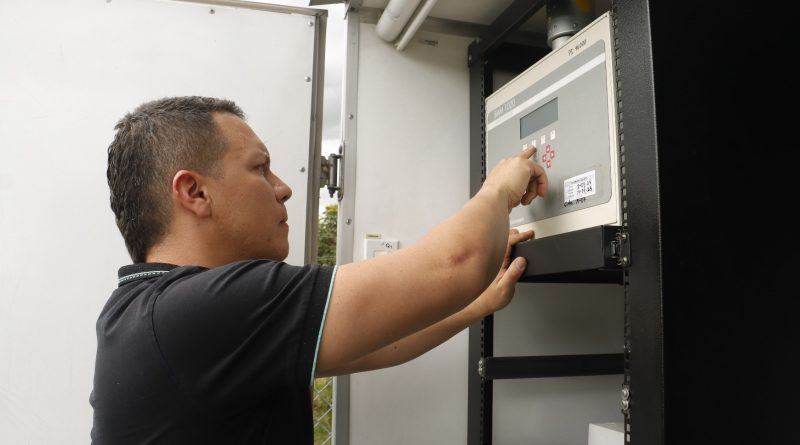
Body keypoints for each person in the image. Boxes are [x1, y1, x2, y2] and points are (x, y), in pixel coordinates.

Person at [90, 96, 547, 444]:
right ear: (194, 192)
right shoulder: (198, 310)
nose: (283, 188)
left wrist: (479, 302)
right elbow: (455, 263)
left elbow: (375, 344)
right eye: (261, 169)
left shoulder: (144, 310)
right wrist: (500, 188)